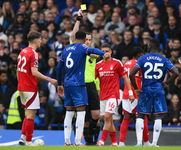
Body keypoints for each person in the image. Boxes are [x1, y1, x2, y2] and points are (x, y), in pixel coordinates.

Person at [57, 30, 110, 146]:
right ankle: (77, 141)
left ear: (75, 37)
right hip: (78, 83)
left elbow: (59, 68)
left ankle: (66, 141)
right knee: (81, 113)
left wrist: (59, 84)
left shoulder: (66, 49)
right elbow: (92, 50)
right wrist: (103, 53)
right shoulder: (82, 47)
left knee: (69, 112)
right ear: (83, 39)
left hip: (67, 83)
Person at [129, 39, 179, 146]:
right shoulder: (164, 59)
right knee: (158, 116)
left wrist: (136, 88)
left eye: (147, 45)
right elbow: (176, 72)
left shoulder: (143, 58)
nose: (146, 47)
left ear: (151, 46)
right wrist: (166, 83)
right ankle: (154, 143)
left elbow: (131, 74)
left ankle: (139, 143)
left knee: (140, 115)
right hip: (158, 89)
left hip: (145, 89)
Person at [17, 30, 57, 146]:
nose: (41, 41)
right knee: (31, 115)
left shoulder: (22, 52)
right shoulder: (33, 53)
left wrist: (19, 87)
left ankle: (23, 137)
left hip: (22, 87)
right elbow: (34, 72)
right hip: (30, 87)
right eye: (40, 39)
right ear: (35, 40)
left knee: (27, 113)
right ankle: (29, 142)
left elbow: (19, 71)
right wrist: (50, 79)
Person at [71, 9, 101, 145]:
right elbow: (73, 36)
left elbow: (95, 55)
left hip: (91, 86)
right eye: (85, 39)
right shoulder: (77, 49)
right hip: (79, 85)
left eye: (89, 40)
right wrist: (78, 19)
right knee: (80, 115)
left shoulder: (91, 52)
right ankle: (87, 140)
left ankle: (92, 135)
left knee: (96, 115)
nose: (87, 41)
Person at [95, 43, 134, 146]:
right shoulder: (98, 65)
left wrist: (130, 92)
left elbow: (125, 77)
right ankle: (114, 143)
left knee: (107, 116)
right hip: (102, 96)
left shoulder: (117, 63)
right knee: (109, 120)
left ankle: (101, 141)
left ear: (111, 52)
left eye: (107, 51)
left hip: (113, 95)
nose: (105, 53)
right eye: (103, 52)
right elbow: (93, 80)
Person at [119, 46, 150, 146]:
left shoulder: (127, 63)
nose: (143, 55)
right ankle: (144, 142)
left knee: (126, 118)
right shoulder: (139, 64)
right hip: (136, 93)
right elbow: (142, 78)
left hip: (126, 94)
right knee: (142, 117)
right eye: (142, 54)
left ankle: (121, 142)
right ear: (138, 55)